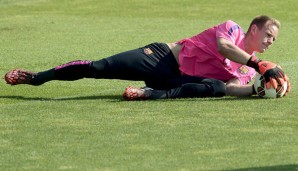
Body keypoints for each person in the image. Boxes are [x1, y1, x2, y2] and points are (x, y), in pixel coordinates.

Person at [4, 15, 290, 100]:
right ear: (254, 28)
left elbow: (229, 87)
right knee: (99, 67)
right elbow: (224, 48)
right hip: (162, 58)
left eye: (274, 39)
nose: (270, 42)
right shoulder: (232, 29)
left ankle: (148, 94)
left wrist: (256, 88)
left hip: (173, 81)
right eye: (268, 35)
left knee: (215, 88)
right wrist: (257, 64)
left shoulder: (250, 69)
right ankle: (38, 78)